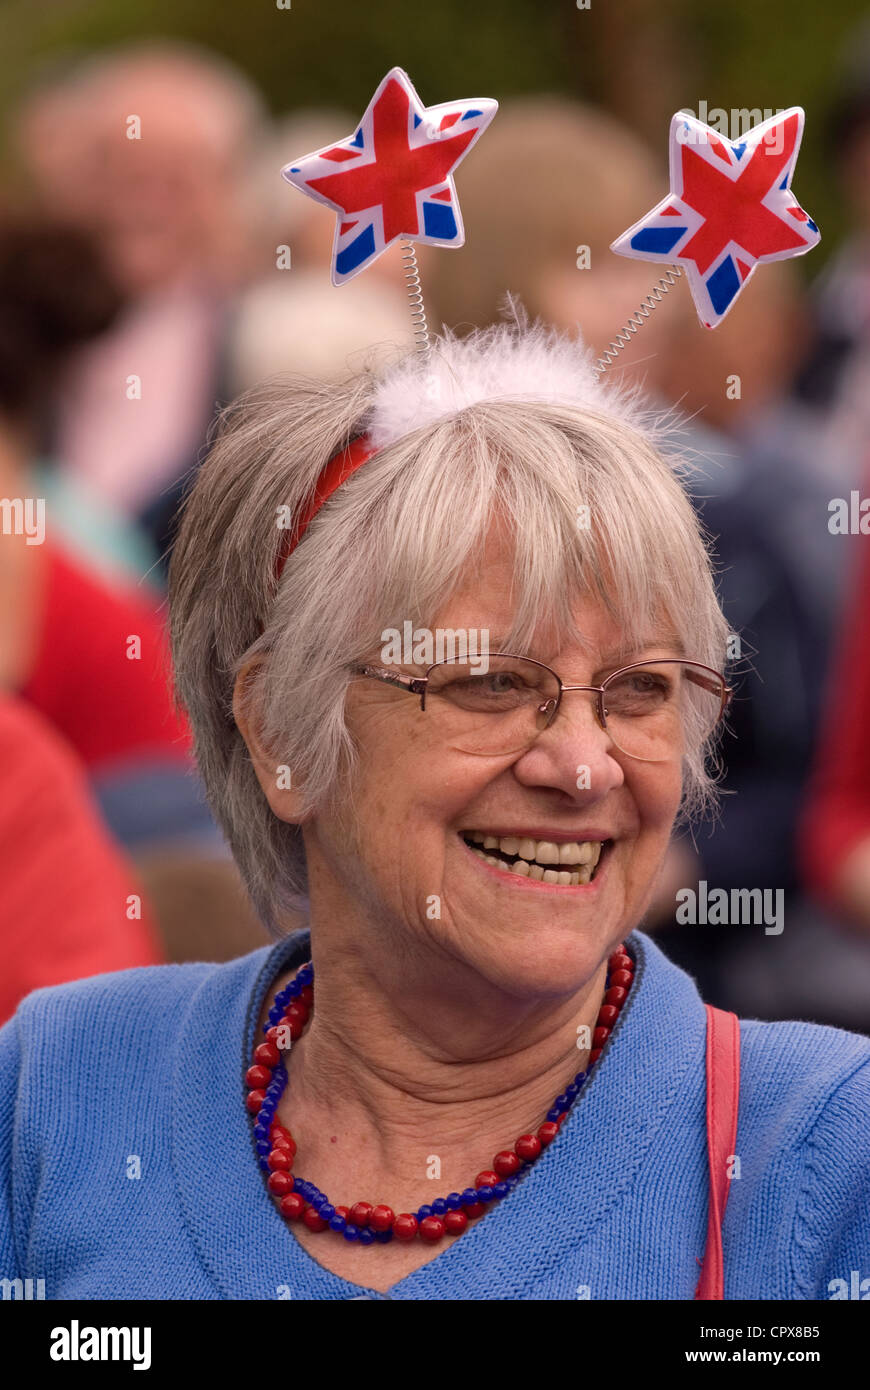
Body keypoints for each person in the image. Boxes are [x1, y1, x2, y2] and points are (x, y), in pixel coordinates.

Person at [0, 316, 867, 1300]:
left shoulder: (826, 1152)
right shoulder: (55, 1091)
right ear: (280, 730)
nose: (585, 765)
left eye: (640, 690)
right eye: (493, 682)